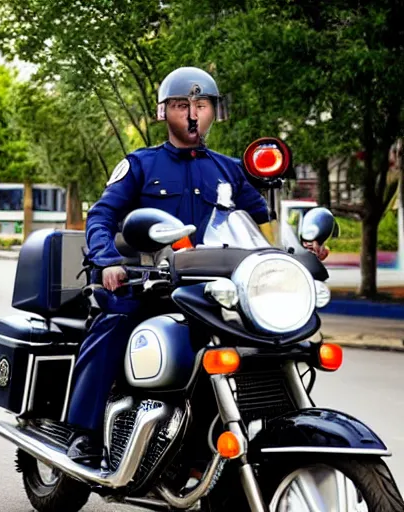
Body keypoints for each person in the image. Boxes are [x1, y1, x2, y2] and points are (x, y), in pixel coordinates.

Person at [64, 67, 327, 462]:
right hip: (147, 283)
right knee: (114, 324)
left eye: (201, 105)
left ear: (212, 113)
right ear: (163, 113)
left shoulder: (229, 169)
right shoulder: (140, 165)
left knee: (267, 343)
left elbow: (262, 228)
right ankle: (83, 431)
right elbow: (101, 217)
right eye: (181, 105)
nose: (192, 113)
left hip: (212, 288)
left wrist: (298, 250)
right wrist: (108, 262)